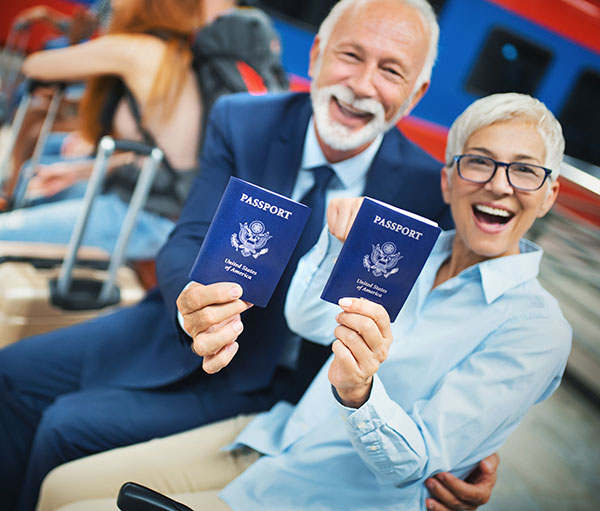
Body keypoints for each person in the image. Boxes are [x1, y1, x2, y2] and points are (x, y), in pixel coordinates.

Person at [0, 1, 494, 510]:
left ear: (416, 95)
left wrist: (474, 446)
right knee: (11, 374)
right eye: (351, 55)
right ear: (319, 53)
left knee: (66, 426)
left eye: (391, 71)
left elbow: (465, 310)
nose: (364, 85)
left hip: (285, 388)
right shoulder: (243, 121)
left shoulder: (430, 191)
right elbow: (189, 237)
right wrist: (191, 302)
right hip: (183, 328)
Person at [43, 91, 572, 511]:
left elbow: (417, 462)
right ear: (449, 179)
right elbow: (308, 318)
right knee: (61, 487)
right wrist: (332, 245)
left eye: (525, 170)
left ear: (549, 194)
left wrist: (360, 394)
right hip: (278, 436)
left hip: (329, 493)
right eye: (479, 163)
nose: (500, 184)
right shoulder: (416, 253)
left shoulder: (534, 327)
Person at [0, 0, 208, 260]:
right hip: (148, 208)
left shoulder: (136, 48)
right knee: (34, 185)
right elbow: (153, 157)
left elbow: (35, 65)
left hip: (139, 218)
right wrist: (76, 171)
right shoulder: (175, 55)